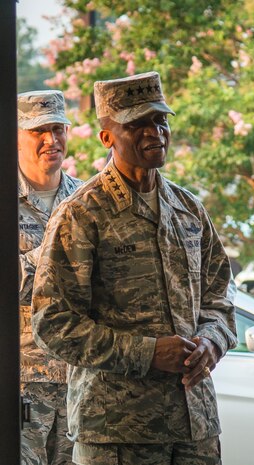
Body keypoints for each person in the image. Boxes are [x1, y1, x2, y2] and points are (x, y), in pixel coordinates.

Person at [31, 71, 237, 465]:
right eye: (138, 124)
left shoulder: (189, 209)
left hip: (196, 427)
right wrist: (146, 353)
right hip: (118, 433)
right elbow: (52, 321)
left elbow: (222, 295)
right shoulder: (81, 214)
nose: (154, 132)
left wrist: (213, 341)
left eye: (160, 120)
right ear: (107, 137)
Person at [18, 90, 82, 465]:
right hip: (22, 384)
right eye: (39, 130)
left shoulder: (86, 200)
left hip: (79, 380)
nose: (51, 140)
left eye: (58, 128)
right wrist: (58, 250)